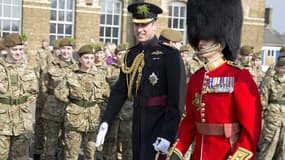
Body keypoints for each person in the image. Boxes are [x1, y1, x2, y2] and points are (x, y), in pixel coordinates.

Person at [168, 0, 262, 160]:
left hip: (227, 153)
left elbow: (251, 126)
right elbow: (190, 122)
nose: (201, 42)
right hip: (199, 154)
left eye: (207, 37)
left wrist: (238, 156)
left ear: (221, 42)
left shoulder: (238, 76)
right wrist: (178, 151)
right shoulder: (197, 78)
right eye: (199, 37)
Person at [95, 2, 186, 160]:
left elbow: (176, 100)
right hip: (138, 119)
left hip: (159, 122)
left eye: (144, 25)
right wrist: (106, 120)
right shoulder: (131, 54)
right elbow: (120, 90)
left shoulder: (169, 55)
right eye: (136, 25)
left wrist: (168, 134)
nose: (139, 30)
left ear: (154, 24)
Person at [54, 43, 109, 160]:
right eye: (86, 58)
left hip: (93, 119)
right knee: (71, 153)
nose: (89, 61)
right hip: (74, 118)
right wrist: (73, 103)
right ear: (79, 58)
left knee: (91, 153)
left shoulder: (100, 75)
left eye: (91, 58)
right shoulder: (71, 74)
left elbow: (106, 94)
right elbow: (59, 92)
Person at [0, 33, 39, 159]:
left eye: (21, 49)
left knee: (21, 156)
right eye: (15, 49)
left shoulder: (28, 69)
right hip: (2, 120)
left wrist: (24, 105)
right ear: (6, 49)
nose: (18, 52)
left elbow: (34, 91)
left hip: (22, 121)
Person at [40, 37, 78, 160]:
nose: (66, 51)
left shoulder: (78, 67)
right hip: (52, 110)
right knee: (50, 144)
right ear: (59, 49)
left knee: (69, 145)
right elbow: (43, 86)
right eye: (63, 48)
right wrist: (51, 99)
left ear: (72, 50)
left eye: (68, 49)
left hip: (71, 111)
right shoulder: (51, 66)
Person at [103, 43, 133, 160]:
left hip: (129, 113)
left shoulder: (134, 69)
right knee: (110, 143)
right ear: (115, 56)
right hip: (113, 113)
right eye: (120, 54)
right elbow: (104, 88)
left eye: (125, 53)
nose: (123, 56)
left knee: (128, 144)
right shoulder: (109, 69)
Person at [255, 47, 285, 160]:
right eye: (282, 67)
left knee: (283, 148)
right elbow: (263, 100)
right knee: (268, 146)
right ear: (277, 68)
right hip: (272, 117)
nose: (284, 70)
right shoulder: (270, 80)